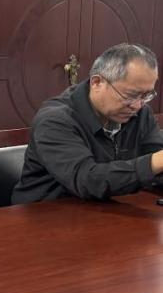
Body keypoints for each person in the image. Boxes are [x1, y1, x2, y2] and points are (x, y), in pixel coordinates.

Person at [12, 43, 163, 203]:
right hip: (45, 212)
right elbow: (88, 181)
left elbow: (156, 164)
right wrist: (157, 161)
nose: (138, 105)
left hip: (107, 207)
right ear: (97, 82)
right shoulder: (54, 120)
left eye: (146, 95)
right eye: (130, 95)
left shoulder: (140, 114)